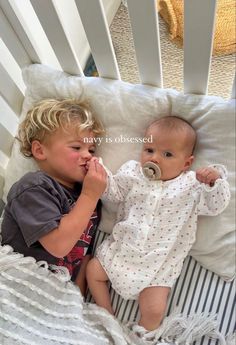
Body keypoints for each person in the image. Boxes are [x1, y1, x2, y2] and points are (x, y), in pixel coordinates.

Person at [86, 116, 231, 331]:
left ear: (187, 163)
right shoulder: (133, 173)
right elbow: (113, 192)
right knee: (93, 270)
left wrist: (213, 182)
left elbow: (216, 206)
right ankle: (106, 312)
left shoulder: (191, 185)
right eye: (149, 149)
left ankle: (139, 338)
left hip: (157, 267)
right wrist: (100, 172)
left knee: (154, 311)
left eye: (167, 154)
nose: (155, 158)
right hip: (121, 252)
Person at [1, 98, 107, 295]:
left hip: (58, 292)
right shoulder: (33, 187)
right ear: (40, 150)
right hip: (20, 282)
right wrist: (90, 195)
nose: (88, 155)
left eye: (91, 150)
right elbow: (58, 245)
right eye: (77, 147)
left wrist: (78, 302)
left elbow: (83, 256)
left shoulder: (89, 199)